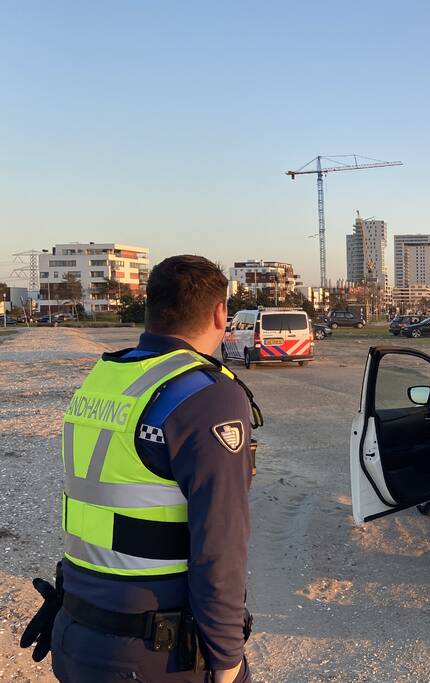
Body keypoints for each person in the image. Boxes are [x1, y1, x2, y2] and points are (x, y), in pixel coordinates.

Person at [21, 255, 262, 682]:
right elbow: (219, 543)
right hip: (153, 651)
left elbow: (89, 505)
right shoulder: (206, 395)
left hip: (77, 628)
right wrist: (227, 660)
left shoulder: (106, 377)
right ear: (220, 314)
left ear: (150, 306)